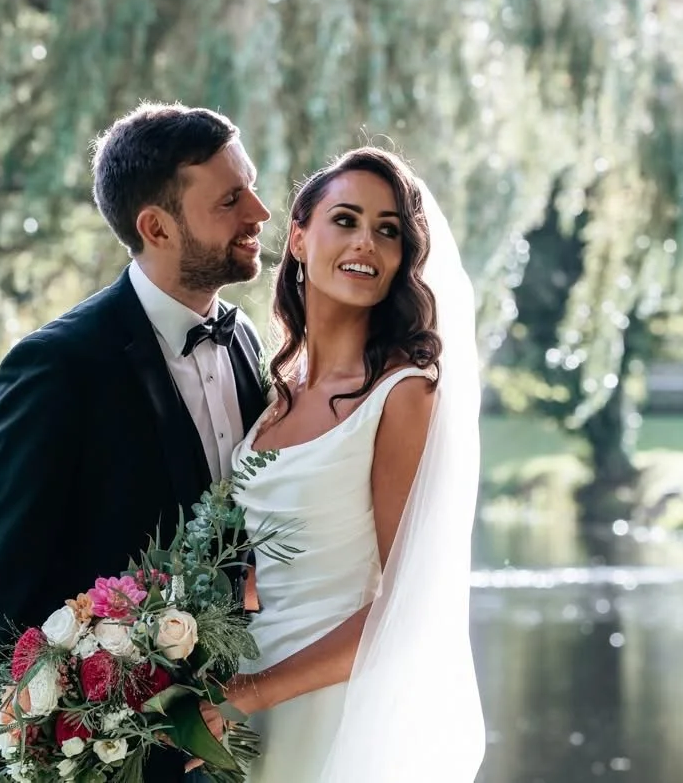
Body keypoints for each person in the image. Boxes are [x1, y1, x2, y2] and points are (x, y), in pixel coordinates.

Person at [0, 101, 272, 782]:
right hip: (99, 758)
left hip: (220, 749)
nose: (261, 212)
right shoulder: (59, 366)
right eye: (231, 199)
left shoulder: (247, 343)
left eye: (250, 185)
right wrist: (12, 762)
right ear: (156, 226)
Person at [208, 147, 485, 782]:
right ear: (299, 238)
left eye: (388, 230)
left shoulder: (403, 395)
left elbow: (407, 606)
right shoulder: (277, 390)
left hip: (332, 711)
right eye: (347, 220)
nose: (367, 242)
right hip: (242, 706)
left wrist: (250, 692)